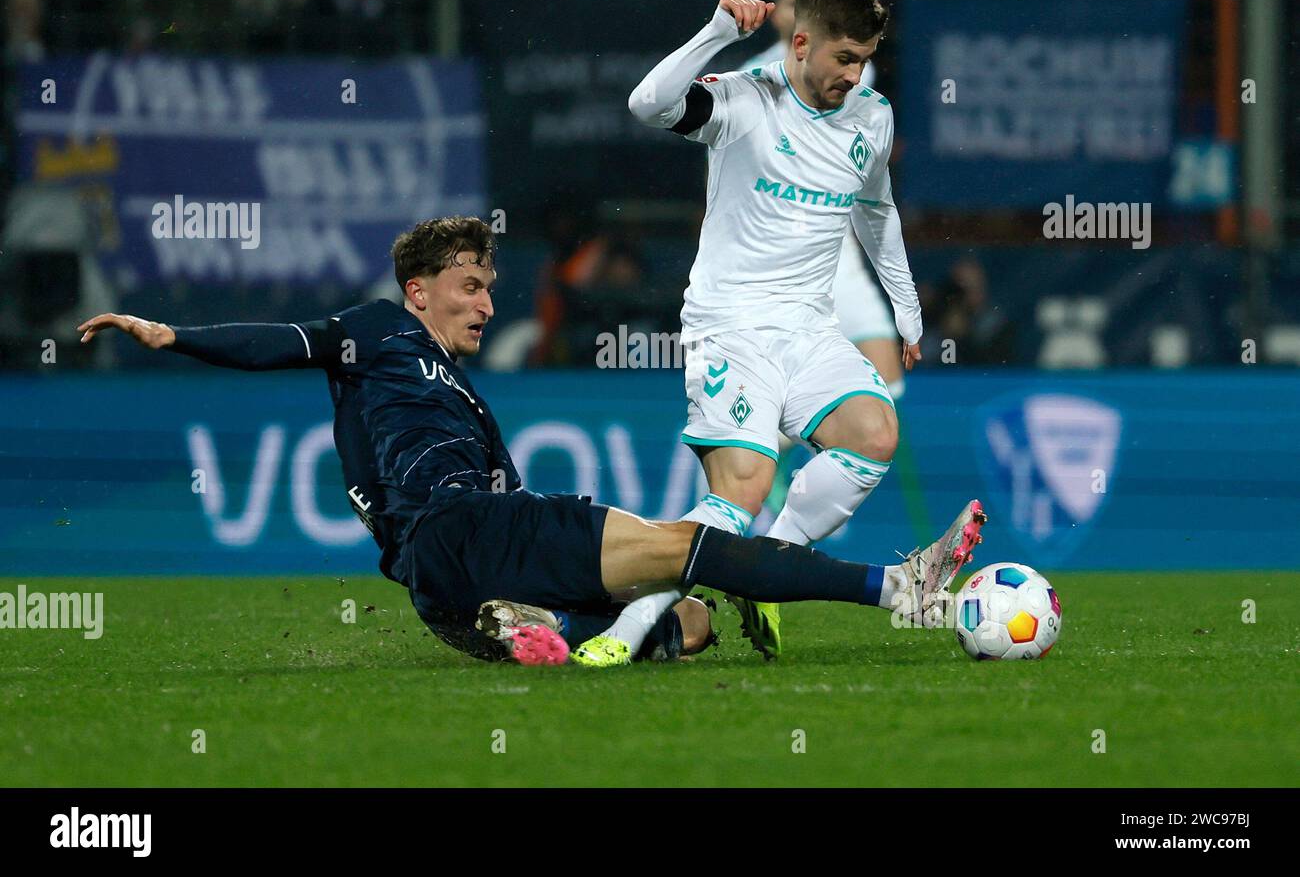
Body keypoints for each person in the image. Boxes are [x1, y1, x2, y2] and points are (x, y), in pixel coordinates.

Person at [78, 216, 984, 668]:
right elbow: (283, 342)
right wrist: (173, 335)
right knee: (691, 548)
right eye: (468, 286)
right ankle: (898, 589)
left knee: (682, 622)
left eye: (488, 287)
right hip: (464, 526)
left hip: (441, 593)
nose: (485, 303)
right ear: (416, 289)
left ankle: (533, 623)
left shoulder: (457, 395)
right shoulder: (376, 331)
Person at [599, 0, 931, 664]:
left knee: (874, 433)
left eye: (866, 59)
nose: (855, 74)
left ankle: (767, 569)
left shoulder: (872, 115)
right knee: (741, 491)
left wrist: (906, 308)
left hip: (809, 329)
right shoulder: (746, 101)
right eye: (845, 58)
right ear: (802, 42)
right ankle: (621, 634)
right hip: (732, 328)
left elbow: (876, 211)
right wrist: (718, 33)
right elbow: (646, 102)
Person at [739, 0, 906, 522]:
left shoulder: (846, 64)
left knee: (890, 376)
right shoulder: (749, 77)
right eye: (783, 0)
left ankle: (794, 455)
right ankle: (772, 458)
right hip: (779, 260)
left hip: (841, 260)